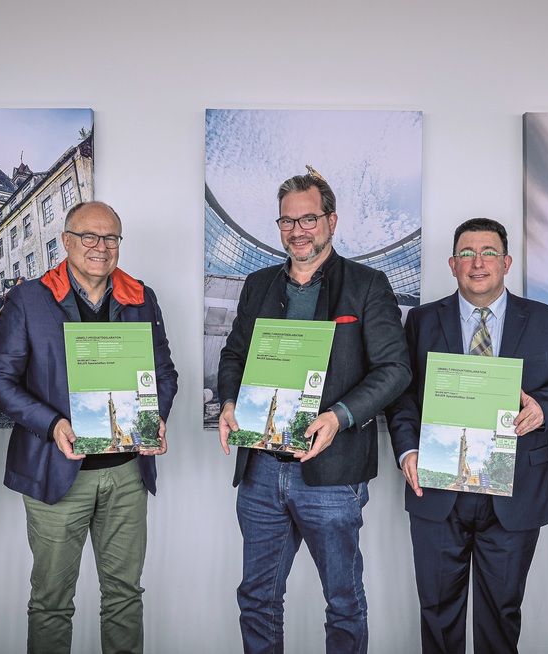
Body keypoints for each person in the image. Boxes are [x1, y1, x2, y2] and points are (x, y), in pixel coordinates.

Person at [216, 172, 411, 653]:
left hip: (333, 474)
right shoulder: (259, 284)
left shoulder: (367, 285)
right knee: (257, 599)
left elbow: (395, 369)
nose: (297, 229)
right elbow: (233, 355)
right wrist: (227, 402)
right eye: (288, 220)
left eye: (309, 218)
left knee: (343, 602)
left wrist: (339, 415)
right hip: (261, 468)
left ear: (331, 220)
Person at [0, 201, 178, 654]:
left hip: (127, 473)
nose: (100, 246)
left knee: (125, 598)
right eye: (88, 236)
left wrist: (156, 417)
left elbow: (164, 372)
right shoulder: (29, 298)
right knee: (51, 602)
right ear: (66, 242)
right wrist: (52, 425)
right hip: (55, 472)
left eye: (110, 237)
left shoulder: (141, 296)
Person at [385, 218, 548, 653]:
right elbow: (401, 395)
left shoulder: (545, 320)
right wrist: (407, 450)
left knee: (502, 614)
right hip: (437, 487)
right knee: (437, 612)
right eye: (468, 254)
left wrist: (543, 408)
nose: (478, 263)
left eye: (489, 253)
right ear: (453, 264)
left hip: (516, 491)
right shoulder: (420, 321)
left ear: (507, 261)